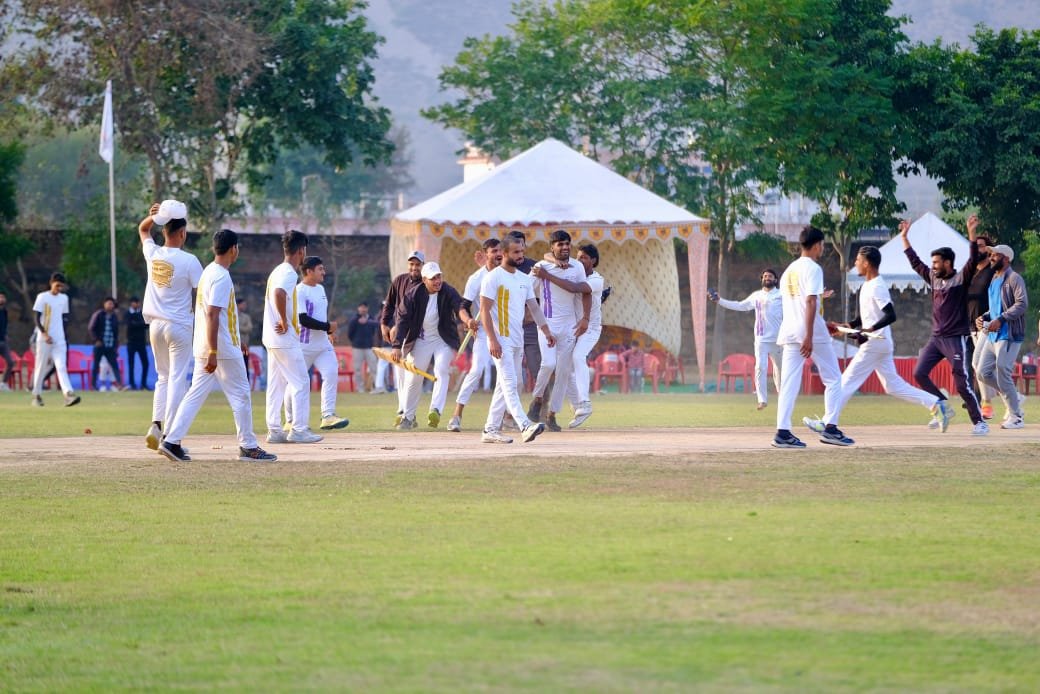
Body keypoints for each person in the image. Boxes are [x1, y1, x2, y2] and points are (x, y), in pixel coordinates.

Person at [803, 246, 951, 434]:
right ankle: (936, 404)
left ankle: (827, 422)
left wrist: (870, 329)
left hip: (875, 342)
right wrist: (849, 325)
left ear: (867, 263)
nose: (855, 263)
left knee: (845, 382)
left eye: (858, 260)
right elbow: (866, 316)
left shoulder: (877, 286)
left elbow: (890, 315)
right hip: (880, 343)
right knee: (893, 386)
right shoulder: (867, 285)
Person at [158, 229, 276, 462]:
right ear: (234, 249)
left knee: (195, 394)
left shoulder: (209, 272)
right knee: (241, 395)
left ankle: (171, 441)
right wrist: (214, 350)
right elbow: (212, 314)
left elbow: (220, 316)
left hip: (207, 345)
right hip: (220, 349)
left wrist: (232, 341)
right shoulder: (221, 276)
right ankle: (248, 446)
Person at [901, 217, 987, 435]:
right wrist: (904, 238)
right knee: (919, 373)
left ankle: (979, 422)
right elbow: (915, 262)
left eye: (936, 262)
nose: (933, 266)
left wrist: (971, 233)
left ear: (948, 263)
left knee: (961, 384)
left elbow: (973, 258)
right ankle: (942, 406)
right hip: (936, 339)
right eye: (932, 263)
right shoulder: (933, 278)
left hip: (955, 339)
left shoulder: (961, 279)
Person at [772, 226, 853, 448]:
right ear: (817, 245)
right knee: (834, 378)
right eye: (822, 245)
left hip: (790, 331)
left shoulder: (789, 270)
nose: (822, 248)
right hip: (809, 333)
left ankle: (782, 432)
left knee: (789, 383)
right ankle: (831, 429)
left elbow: (798, 305)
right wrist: (809, 334)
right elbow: (809, 301)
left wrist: (822, 325)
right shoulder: (814, 269)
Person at [137, 200, 204, 450]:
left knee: (163, 377)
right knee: (177, 379)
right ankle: (170, 436)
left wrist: (154, 217)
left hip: (155, 326)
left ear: (164, 230)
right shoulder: (190, 260)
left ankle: (156, 424)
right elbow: (202, 293)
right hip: (179, 326)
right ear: (183, 233)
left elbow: (143, 230)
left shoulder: (153, 254)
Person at [480, 233, 554, 444]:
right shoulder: (493, 278)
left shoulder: (524, 279)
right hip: (500, 340)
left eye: (522, 251)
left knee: (505, 385)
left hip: (517, 340)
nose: (520, 255)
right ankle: (525, 425)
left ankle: (490, 430)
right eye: (516, 252)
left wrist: (546, 331)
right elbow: (484, 311)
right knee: (510, 383)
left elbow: (534, 308)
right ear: (504, 253)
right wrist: (492, 339)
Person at [391, 262, 474, 429]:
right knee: (414, 376)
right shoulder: (412, 295)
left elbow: (459, 306)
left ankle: (435, 409)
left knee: (441, 369)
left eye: (439, 277)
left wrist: (467, 320)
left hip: (443, 340)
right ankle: (408, 417)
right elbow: (402, 321)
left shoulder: (447, 290)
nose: (437, 281)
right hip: (421, 340)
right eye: (433, 278)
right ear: (424, 280)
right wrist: (397, 346)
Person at [527, 229, 592, 431]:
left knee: (563, 372)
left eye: (567, 244)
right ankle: (537, 399)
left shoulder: (577, 266)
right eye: (560, 244)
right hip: (547, 324)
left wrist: (585, 318)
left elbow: (585, 291)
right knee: (548, 364)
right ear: (552, 247)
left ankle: (552, 415)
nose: (564, 247)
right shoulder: (541, 266)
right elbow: (526, 291)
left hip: (570, 326)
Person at [263, 229, 322, 444]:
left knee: (276, 385)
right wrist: (283, 319)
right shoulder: (288, 273)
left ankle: (274, 430)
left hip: (272, 338)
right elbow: (279, 293)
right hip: (285, 338)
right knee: (301, 382)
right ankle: (299, 429)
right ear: (301, 251)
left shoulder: (277, 270)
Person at [447, 238, 503, 432]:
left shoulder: (508, 273)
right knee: (476, 370)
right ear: (486, 253)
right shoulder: (476, 278)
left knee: (509, 376)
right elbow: (463, 306)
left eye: (500, 251)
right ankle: (456, 415)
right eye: (494, 251)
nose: (498, 254)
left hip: (506, 331)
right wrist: (468, 320)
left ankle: (506, 417)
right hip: (484, 332)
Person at [709, 269, 783, 409]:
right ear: (762, 279)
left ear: (775, 280)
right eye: (765, 276)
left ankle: (782, 396)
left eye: (770, 276)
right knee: (760, 367)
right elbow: (740, 305)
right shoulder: (757, 296)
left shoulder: (781, 295)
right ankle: (762, 400)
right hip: (761, 339)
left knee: (779, 369)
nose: (767, 278)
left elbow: (797, 306)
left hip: (778, 339)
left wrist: (818, 296)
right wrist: (720, 300)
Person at [292, 256, 349, 430]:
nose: (324, 272)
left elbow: (320, 316)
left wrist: (329, 332)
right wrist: (328, 326)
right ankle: (290, 420)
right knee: (296, 383)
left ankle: (328, 415)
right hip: (304, 346)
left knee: (331, 373)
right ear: (309, 271)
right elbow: (303, 320)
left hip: (323, 345)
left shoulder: (321, 289)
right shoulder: (299, 291)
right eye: (320, 269)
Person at [975, 243, 1028, 429]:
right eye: (991, 255)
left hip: (1009, 335)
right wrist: (985, 317)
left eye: (995, 255)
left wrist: (1001, 319)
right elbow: (996, 307)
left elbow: (1022, 303)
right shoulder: (994, 279)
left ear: (1006, 259)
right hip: (993, 335)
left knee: (1003, 370)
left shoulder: (1014, 278)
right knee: (982, 372)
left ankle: (1016, 417)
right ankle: (1014, 397)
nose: (991, 258)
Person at [564, 244, 606, 428]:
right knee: (563, 368)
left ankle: (585, 403)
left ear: (593, 261)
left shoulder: (597, 279)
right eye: (578, 257)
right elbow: (548, 255)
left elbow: (576, 288)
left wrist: (549, 276)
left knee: (578, 356)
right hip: (574, 327)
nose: (579, 260)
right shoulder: (574, 272)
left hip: (591, 328)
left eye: (584, 258)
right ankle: (578, 407)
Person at [380, 250, 424, 424]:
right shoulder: (399, 280)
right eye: (412, 264)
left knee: (413, 375)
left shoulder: (426, 284)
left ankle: (408, 412)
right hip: (400, 334)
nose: (414, 267)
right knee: (400, 372)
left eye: (418, 264)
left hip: (419, 335)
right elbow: (389, 304)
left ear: (423, 266)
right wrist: (384, 323)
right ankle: (403, 410)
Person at [30, 272, 81, 407]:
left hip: (59, 339)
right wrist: (44, 334)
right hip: (44, 339)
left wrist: (62, 334)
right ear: (51, 283)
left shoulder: (64, 298)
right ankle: (36, 395)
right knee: (40, 367)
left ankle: (68, 394)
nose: (59, 289)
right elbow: (36, 317)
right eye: (57, 285)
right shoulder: (42, 297)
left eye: (61, 286)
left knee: (61, 366)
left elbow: (64, 318)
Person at [965, 233, 997, 419]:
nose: (978, 250)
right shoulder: (971, 273)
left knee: (980, 366)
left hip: (987, 326)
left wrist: (989, 317)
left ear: (988, 249)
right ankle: (1013, 397)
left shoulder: (992, 272)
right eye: (975, 246)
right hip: (970, 327)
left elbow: (998, 299)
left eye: (981, 246)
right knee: (978, 367)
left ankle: (986, 404)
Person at [88, 296, 126, 391]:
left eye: (112, 304)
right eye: (108, 303)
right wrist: (96, 340)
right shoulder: (98, 314)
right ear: (104, 304)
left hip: (110, 346)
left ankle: (120, 385)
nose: (110, 305)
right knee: (96, 366)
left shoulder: (114, 317)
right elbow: (91, 328)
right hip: (99, 345)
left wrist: (116, 345)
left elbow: (116, 332)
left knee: (115, 366)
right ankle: (93, 385)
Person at [347, 301, 379, 393]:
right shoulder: (354, 320)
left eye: (365, 307)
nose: (363, 309)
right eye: (361, 307)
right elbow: (350, 334)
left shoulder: (371, 319)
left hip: (369, 347)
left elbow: (374, 330)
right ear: (358, 308)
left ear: (367, 308)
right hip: (357, 348)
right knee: (357, 369)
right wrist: (356, 341)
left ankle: (376, 387)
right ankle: (360, 388)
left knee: (374, 367)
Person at [124, 296, 149, 390]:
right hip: (131, 342)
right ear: (131, 303)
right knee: (131, 364)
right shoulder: (127, 313)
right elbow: (130, 325)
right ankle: (132, 384)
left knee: (145, 363)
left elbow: (147, 325)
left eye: (138, 302)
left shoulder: (142, 313)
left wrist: (137, 324)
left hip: (141, 342)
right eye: (135, 302)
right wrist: (141, 324)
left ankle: (143, 384)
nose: (137, 304)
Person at [237, 297, 254, 379]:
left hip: (245, 346)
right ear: (238, 305)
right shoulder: (232, 315)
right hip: (234, 345)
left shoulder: (246, 317)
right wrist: (242, 328)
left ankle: (247, 383)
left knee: (245, 364)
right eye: (243, 304)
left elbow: (249, 328)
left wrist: (237, 327)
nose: (245, 306)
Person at [0, 291, 14, 390]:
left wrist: (5, 335)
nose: (2, 299)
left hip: (3, 342)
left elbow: (4, 326)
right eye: (0, 297)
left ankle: (3, 383)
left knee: (10, 362)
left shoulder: (4, 311)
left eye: (3, 297)